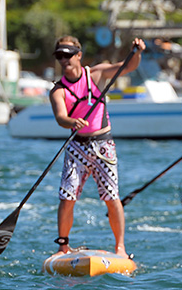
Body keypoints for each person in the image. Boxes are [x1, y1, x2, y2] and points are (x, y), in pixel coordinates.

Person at [50, 35, 146, 258]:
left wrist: (138, 51)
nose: (64, 60)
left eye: (68, 55)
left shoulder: (96, 74)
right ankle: (63, 246)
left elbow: (128, 66)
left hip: (103, 145)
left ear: (79, 55)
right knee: (67, 198)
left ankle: (120, 247)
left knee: (112, 198)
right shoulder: (58, 90)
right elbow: (60, 117)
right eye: (59, 56)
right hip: (77, 148)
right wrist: (71, 122)